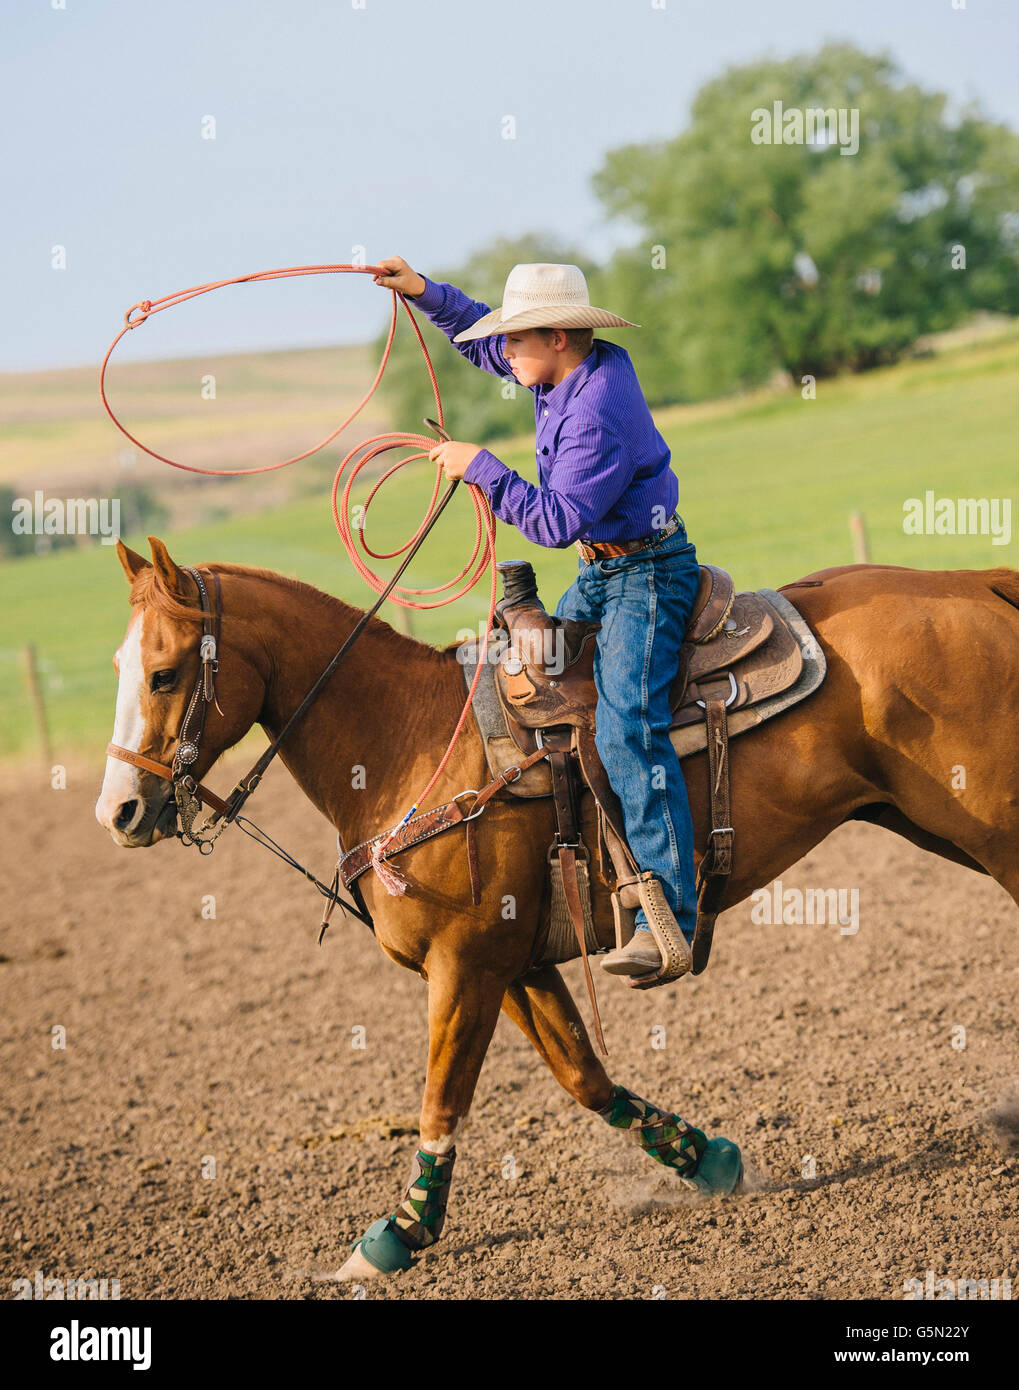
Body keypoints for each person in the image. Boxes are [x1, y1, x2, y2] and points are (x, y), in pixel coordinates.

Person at [372, 257, 702, 977]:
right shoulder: (560, 366)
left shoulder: (595, 411)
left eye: (516, 341)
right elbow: (478, 339)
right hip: (605, 567)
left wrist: (482, 467)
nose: (504, 353)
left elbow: (553, 523)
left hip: (645, 578)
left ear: (557, 336)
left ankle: (670, 916)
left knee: (624, 730)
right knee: (531, 697)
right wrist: (423, 292)